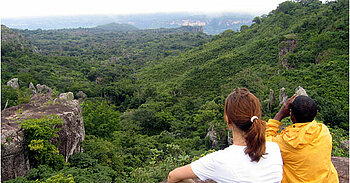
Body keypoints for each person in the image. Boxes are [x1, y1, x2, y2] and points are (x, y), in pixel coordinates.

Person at [167, 88, 283, 183]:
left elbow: (173, 176)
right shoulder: (274, 149)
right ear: (257, 116)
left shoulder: (219, 160)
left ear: (228, 120)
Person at [266, 94, 339, 182]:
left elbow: (265, 142)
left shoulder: (287, 141)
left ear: (291, 116)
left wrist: (280, 114)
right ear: (316, 114)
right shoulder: (323, 130)